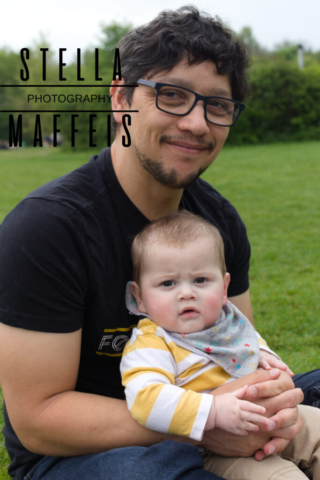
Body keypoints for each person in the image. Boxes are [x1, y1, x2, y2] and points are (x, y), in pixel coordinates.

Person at [0, 5, 318, 480]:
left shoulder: (218, 219)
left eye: (217, 105)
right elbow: (40, 422)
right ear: (121, 100)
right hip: (88, 454)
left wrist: (265, 398)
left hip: (215, 408)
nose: (196, 123)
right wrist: (205, 419)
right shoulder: (47, 230)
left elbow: (236, 353)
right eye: (171, 95)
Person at [121, 210, 320, 479]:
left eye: (200, 280)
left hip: (270, 419)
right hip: (216, 448)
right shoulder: (152, 343)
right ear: (140, 296)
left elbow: (250, 343)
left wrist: (266, 357)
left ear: (224, 287)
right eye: (167, 283)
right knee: (279, 476)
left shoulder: (227, 322)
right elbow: (145, 399)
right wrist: (212, 411)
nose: (187, 292)